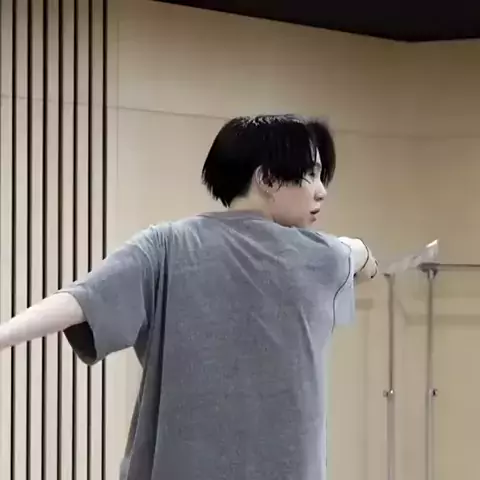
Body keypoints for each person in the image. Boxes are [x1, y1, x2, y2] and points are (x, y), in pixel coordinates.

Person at [0, 114, 378, 480]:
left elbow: (79, 300)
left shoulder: (167, 244)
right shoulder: (322, 255)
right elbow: (358, 256)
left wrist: (4, 335)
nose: (321, 190)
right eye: (310, 173)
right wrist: (363, 256)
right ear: (267, 179)